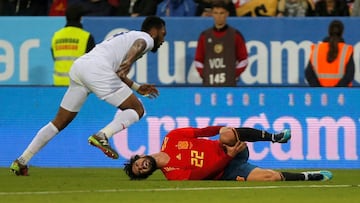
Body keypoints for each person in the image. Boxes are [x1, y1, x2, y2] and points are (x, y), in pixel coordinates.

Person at [10, 15, 167, 176]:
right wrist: (128, 62)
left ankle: (22, 160)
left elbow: (117, 74)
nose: (163, 40)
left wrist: (136, 86)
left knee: (58, 122)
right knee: (137, 109)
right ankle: (102, 135)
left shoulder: (127, 37)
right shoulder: (146, 38)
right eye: (163, 33)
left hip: (80, 67)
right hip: (97, 70)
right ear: (154, 31)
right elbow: (139, 45)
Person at [124, 126, 333, 181]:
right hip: (228, 169)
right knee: (268, 177)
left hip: (226, 148)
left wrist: (227, 130)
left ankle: (274, 137)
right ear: (147, 172)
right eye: (141, 171)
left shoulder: (172, 138)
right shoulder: (172, 174)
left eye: (138, 164)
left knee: (224, 134)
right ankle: (309, 176)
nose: (142, 166)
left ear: (140, 157)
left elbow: (203, 131)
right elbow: (204, 173)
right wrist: (229, 157)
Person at [194, 1, 248, 87]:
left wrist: (233, 74)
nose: (218, 16)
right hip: (209, 84)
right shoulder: (204, 36)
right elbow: (198, 60)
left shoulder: (235, 35)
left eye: (221, 13)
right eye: (216, 13)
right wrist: (205, 74)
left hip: (229, 85)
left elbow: (244, 59)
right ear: (212, 14)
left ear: (227, 14)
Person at [51, 4, 96, 86]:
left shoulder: (56, 35)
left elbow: (54, 57)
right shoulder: (86, 37)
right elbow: (92, 63)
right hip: (78, 84)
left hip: (57, 84)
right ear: (81, 18)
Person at [305, 20, 355, 87]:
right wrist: (337, 90)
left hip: (320, 95)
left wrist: (319, 89)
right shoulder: (346, 50)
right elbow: (349, 75)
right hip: (342, 94)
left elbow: (308, 73)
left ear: (329, 32)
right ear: (342, 32)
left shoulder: (317, 49)